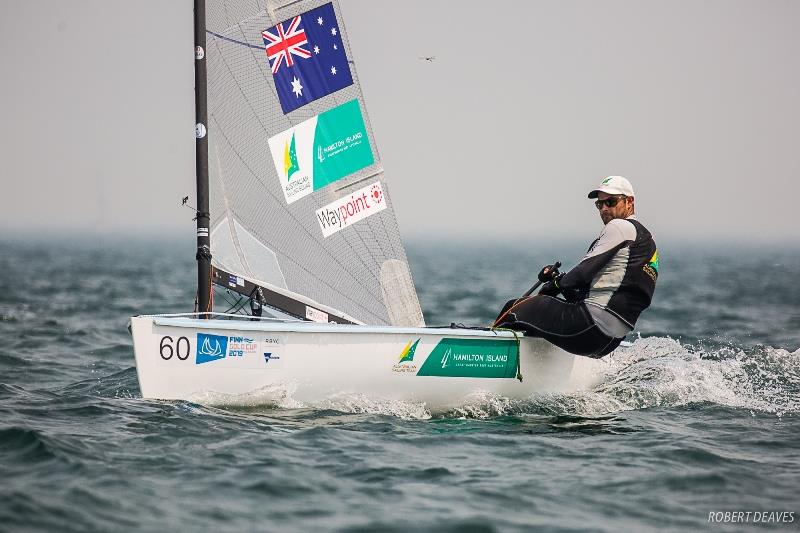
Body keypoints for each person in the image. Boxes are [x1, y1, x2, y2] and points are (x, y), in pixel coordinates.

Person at [493, 176, 659, 357]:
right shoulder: (649, 242)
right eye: (599, 204)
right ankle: (532, 363)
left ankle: (486, 354)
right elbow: (588, 291)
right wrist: (559, 282)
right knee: (539, 318)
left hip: (590, 326)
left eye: (610, 202)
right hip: (610, 340)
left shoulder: (619, 227)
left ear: (629, 202)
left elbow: (581, 275)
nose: (604, 209)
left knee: (515, 307)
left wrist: (555, 284)